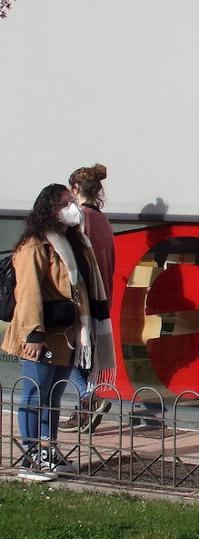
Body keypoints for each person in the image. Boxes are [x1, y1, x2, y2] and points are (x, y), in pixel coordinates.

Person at [3, 183, 113, 481]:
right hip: (42, 334)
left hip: (67, 334)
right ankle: (30, 457)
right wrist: (33, 334)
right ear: (50, 209)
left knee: (53, 396)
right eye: (65, 203)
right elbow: (29, 292)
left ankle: (48, 450)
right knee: (34, 395)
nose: (73, 207)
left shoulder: (75, 243)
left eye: (72, 201)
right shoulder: (35, 245)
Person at [64, 163, 116, 433]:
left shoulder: (78, 216)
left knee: (65, 354)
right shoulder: (104, 220)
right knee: (86, 357)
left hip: (82, 297)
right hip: (102, 298)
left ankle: (88, 398)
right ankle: (84, 409)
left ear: (75, 189)